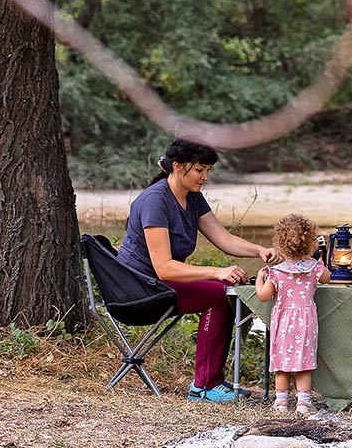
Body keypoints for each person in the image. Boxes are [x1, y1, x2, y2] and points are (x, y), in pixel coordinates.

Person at [116, 139, 276, 403]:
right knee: (218, 294)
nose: (205, 177)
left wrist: (259, 250)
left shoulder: (193, 197)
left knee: (224, 292)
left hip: (160, 283)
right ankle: (203, 387)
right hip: (138, 289)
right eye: (200, 170)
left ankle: (211, 381)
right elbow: (164, 267)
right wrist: (216, 272)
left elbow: (223, 238)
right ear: (178, 167)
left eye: (208, 171)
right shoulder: (156, 201)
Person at [254, 212, 330, 414]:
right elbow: (328, 278)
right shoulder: (314, 268)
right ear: (309, 242)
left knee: (282, 362)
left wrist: (259, 279)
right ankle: (303, 402)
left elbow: (263, 295)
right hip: (306, 320)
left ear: (280, 242)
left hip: (284, 321)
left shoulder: (276, 272)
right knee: (303, 362)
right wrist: (320, 260)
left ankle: (280, 402)